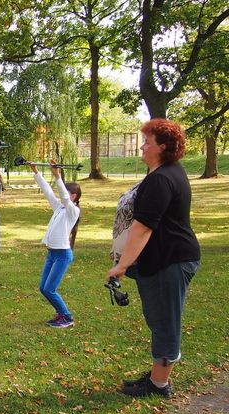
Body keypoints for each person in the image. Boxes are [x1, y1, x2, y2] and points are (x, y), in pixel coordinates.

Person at [107, 118, 200, 399]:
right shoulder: (166, 172)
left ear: (163, 146)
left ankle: (159, 384)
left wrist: (122, 265)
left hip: (170, 260)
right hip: (166, 259)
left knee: (165, 322)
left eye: (147, 142)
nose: (141, 147)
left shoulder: (161, 178)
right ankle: (159, 375)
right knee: (160, 318)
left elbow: (143, 227)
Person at [30, 161, 81, 328]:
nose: (63, 195)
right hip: (52, 253)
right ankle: (61, 314)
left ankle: (67, 317)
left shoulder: (73, 211)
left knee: (49, 289)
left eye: (67, 193)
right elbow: (49, 192)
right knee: (43, 288)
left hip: (62, 255)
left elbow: (64, 197)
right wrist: (36, 172)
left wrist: (57, 176)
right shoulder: (59, 209)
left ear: (74, 196)